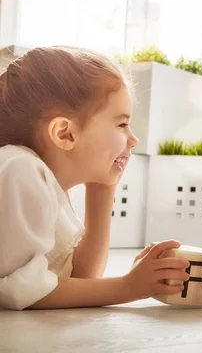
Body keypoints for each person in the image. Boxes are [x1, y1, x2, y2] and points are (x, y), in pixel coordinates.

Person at [0, 46, 190, 311]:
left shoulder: (44, 180)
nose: (133, 140)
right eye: (122, 124)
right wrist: (128, 286)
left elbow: (81, 277)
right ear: (64, 134)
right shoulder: (20, 169)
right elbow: (21, 291)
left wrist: (103, 188)